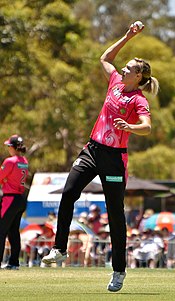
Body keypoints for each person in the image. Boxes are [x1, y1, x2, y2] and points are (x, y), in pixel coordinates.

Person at [42, 21, 159, 291]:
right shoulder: (116, 82)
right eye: (126, 66)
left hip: (114, 158)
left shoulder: (138, 100)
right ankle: (59, 248)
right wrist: (127, 36)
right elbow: (104, 58)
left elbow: (147, 126)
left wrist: (131, 127)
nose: (124, 69)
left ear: (138, 77)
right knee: (69, 192)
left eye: (130, 68)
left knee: (116, 214)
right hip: (92, 149)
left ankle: (118, 271)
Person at [0, 135, 28, 269]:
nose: (8, 149)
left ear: (13, 147)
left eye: (9, 146)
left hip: (10, 198)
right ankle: (14, 262)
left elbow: (1, 177)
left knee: (1, 230)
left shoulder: (9, 161)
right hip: (21, 198)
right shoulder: (24, 160)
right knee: (14, 231)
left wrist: (5, 181)